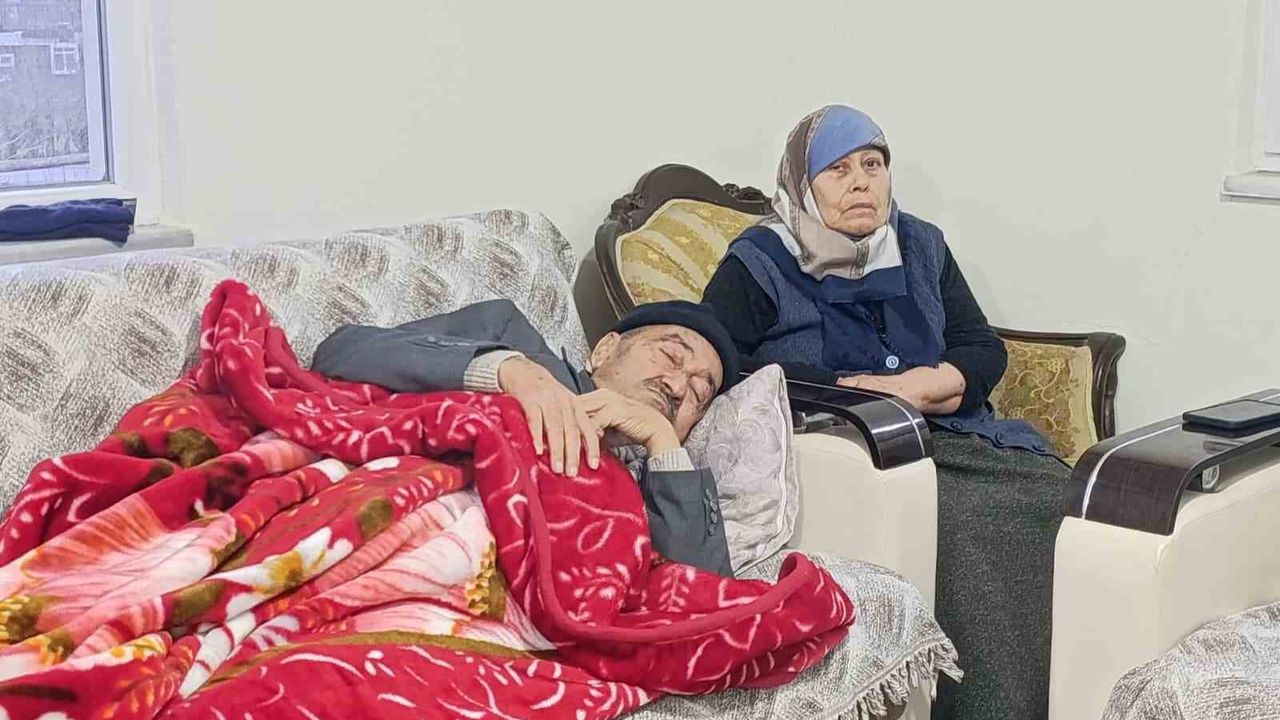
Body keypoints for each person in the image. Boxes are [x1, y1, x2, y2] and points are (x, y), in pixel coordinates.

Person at [700, 104, 1069, 720]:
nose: (860, 183)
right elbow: (722, 361)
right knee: (974, 523)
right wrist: (853, 387)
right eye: (837, 170)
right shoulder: (762, 259)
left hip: (955, 432)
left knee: (1062, 495)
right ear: (803, 184)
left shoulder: (920, 244)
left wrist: (928, 384)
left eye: (873, 165)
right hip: (861, 452)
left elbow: (980, 345)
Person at [311, 298, 740, 577]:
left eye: (699, 393)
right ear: (605, 349)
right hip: (383, 522)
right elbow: (341, 352)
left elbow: (706, 605)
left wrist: (662, 441)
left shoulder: (658, 493)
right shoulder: (509, 336)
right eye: (669, 355)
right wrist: (505, 370)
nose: (677, 387)